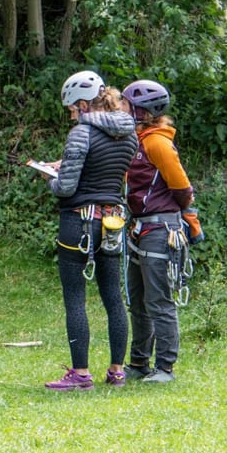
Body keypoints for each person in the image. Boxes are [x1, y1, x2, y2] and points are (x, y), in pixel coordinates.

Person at [42, 71, 139, 391]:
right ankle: (116, 371)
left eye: (72, 109)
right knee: (113, 296)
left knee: (75, 298)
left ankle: (80, 374)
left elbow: (66, 187)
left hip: (78, 221)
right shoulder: (130, 134)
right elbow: (106, 172)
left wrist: (50, 178)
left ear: (83, 104)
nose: (72, 116)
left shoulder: (81, 132)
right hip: (112, 221)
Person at [123, 79, 195, 383]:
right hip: (139, 228)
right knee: (137, 300)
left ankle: (165, 367)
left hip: (160, 228)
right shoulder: (138, 139)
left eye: (127, 104)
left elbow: (182, 188)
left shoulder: (157, 143)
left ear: (141, 111)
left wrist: (182, 217)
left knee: (158, 300)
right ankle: (139, 362)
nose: (122, 109)